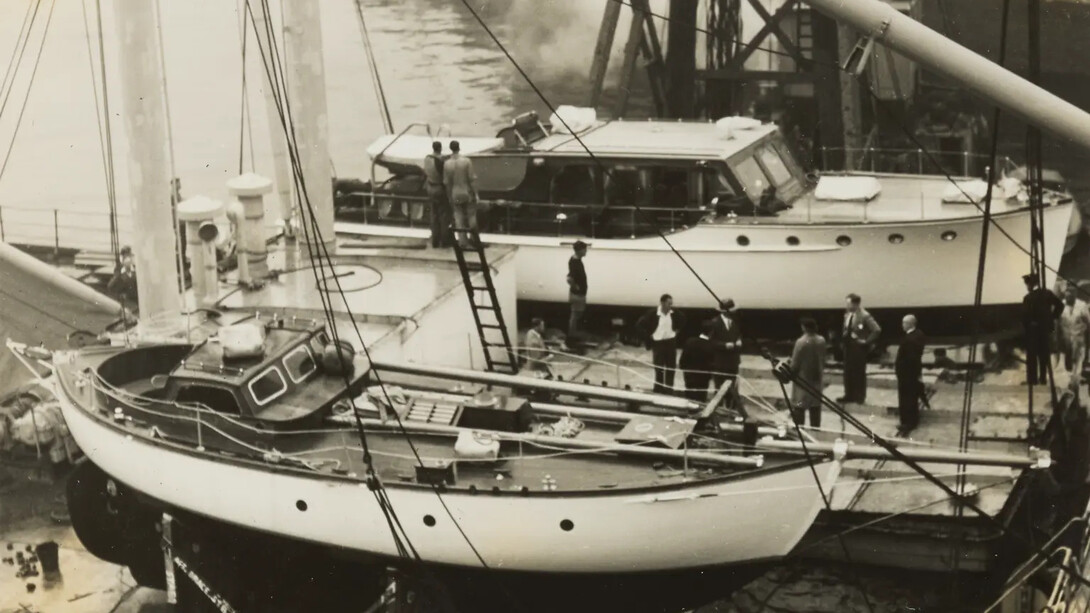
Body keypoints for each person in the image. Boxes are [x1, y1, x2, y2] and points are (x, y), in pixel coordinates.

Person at [637, 294, 686, 395]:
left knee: (671, 367)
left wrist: (676, 331)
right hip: (658, 343)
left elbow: (683, 320)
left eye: (671, 304)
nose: (670, 306)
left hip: (670, 342)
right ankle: (658, 388)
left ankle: (668, 389)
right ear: (662, 303)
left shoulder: (674, 313)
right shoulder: (652, 313)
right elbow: (639, 325)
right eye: (669, 303)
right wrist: (649, 336)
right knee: (659, 367)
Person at [839, 293, 881, 404]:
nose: (847, 305)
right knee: (848, 371)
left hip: (858, 347)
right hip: (848, 346)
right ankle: (849, 394)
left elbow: (876, 330)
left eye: (849, 303)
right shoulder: (847, 314)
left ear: (855, 303)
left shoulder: (864, 315)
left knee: (858, 372)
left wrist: (866, 341)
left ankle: (859, 396)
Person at [1023, 273, 1064, 385]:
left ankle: (1032, 381)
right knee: (1043, 355)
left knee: (1032, 356)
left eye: (1027, 284)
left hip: (1033, 332)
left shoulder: (1028, 298)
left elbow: (1026, 317)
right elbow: (1060, 305)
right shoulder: (1047, 293)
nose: (1027, 287)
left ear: (1030, 284)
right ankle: (1043, 379)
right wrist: (1052, 317)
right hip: (1045, 330)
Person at [789, 317, 827, 427]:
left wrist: (790, 370)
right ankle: (815, 430)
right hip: (816, 378)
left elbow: (795, 363)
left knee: (799, 406)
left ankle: (799, 431)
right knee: (815, 407)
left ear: (804, 328)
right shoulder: (821, 340)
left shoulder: (801, 342)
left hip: (802, 378)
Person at [708, 299, 743, 408]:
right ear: (724, 311)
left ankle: (730, 410)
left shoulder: (735, 322)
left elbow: (739, 335)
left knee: (732, 389)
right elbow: (710, 342)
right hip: (720, 362)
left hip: (733, 362)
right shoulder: (714, 323)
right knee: (719, 389)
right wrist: (724, 345)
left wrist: (739, 341)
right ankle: (718, 410)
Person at [443, 140, 478, 248]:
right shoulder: (466, 161)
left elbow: (447, 183)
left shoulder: (447, 164)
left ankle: (463, 242)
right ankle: (475, 239)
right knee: (471, 216)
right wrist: (476, 194)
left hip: (455, 193)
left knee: (458, 217)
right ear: (459, 148)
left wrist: (449, 196)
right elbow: (472, 179)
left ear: (450, 149)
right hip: (466, 192)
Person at [896, 315, 926, 433]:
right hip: (913, 373)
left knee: (906, 398)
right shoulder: (919, 334)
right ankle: (912, 421)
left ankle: (908, 423)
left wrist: (902, 371)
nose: (902, 325)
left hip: (907, 374)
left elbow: (910, 358)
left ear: (910, 324)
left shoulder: (910, 339)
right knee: (912, 397)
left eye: (904, 323)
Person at [1057, 284, 1090, 381]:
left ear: (1075, 294)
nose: (1069, 294)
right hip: (1066, 341)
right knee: (1068, 368)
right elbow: (1057, 325)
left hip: (1079, 341)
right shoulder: (1060, 305)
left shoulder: (1082, 305)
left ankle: (1075, 389)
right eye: (1067, 292)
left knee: (1077, 366)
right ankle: (1072, 387)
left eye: (1072, 292)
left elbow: (1088, 323)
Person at [680, 320, 717, 402]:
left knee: (689, 397)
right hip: (703, 378)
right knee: (701, 399)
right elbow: (711, 364)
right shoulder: (711, 346)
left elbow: (683, 360)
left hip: (689, 376)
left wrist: (685, 370)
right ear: (711, 332)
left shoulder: (690, 341)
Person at [423, 141, 451, 248]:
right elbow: (444, 175)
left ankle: (434, 239)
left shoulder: (427, 158)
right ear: (440, 148)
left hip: (430, 188)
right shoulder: (440, 161)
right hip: (439, 188)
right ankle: (444, 240)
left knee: (433, 215)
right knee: (443, 215)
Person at [566, 241, 588, 351]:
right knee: (575, 317)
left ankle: (572, 337)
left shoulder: (576, 260)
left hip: (578, 294)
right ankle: (570, 340)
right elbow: (569, 278)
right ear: (579, 250)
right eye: (584, 249)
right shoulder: (575, 263)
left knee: (576, 317)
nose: (586, 251)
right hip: (577, 295)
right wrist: (576, 288)